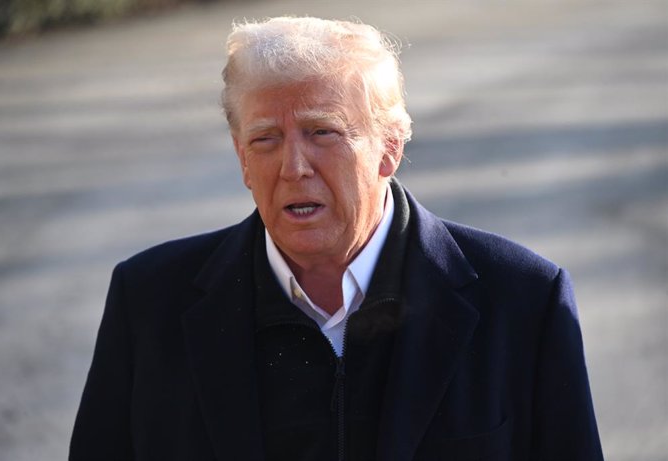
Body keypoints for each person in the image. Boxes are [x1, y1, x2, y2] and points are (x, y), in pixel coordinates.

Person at [69, 16, 604, 461]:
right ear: (241, 159)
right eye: (265, 139)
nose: (293, 166)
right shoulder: (148, 301)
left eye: (322, 132)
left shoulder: (524, 300)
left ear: (389, 148)